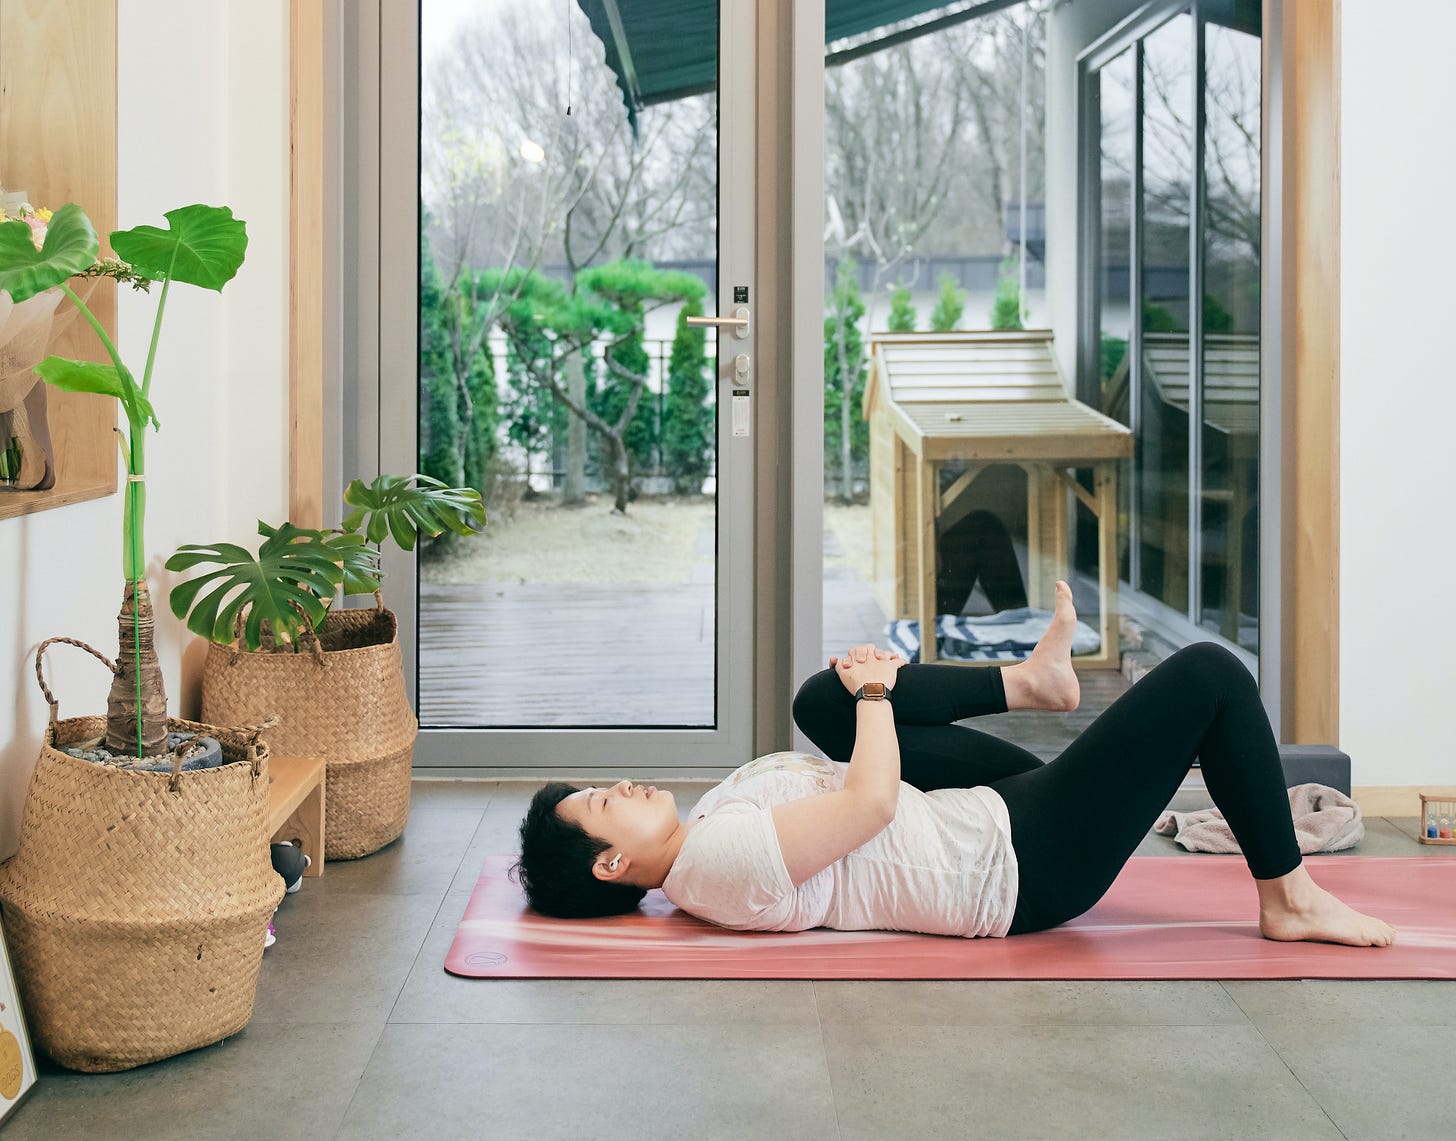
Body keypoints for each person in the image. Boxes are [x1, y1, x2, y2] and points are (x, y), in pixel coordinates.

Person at [515, 582, 1395, 947]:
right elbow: (867, 804)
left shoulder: (704, 829)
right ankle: (1288, 896)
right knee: (1210, 675)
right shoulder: (716, 864)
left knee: (817, 701)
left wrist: (856, 698)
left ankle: (1034, 682)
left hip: (980, 813)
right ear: (611, 863)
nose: (622, 785)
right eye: (603, 801)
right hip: (1022, 861)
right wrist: (873, 691)